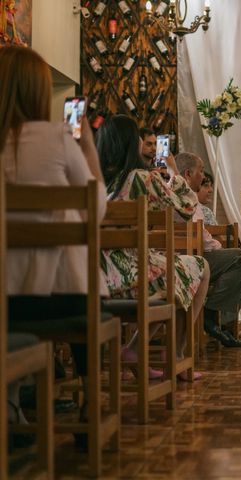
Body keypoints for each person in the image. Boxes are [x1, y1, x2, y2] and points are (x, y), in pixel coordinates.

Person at [0, 45, 107, 445]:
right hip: (58, 300)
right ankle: (89, 400)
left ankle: (10, 404)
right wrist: (87, 148)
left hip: (4, 300)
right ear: (37, 92)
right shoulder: (58, 137)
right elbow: (95, 211)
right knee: (80, 283)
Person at [97, 115, 210, 381]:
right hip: (132, 275)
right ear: (129, 142)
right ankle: (176, 355)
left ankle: (136, 349)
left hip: (100, 277)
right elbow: (184, 209)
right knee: (198, 269)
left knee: (174, 274)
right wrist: (173, 171)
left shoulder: (98, 180)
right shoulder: (140, 178)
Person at [175, 152, 241, 347]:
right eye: (201, 171)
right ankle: (210, 316)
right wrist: (220, 248)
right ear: (188, 174)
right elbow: (201, 238)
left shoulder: (169, 192)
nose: (203, 177)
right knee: (239, 258)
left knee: (240, 265)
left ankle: (212, 319)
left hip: (180, 257)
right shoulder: (187, 197)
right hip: (192, 259)